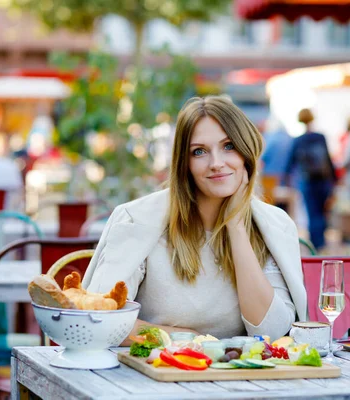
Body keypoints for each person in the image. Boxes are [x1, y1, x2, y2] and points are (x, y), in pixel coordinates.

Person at [82, 96, 307, 341]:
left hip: (244, 376)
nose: (216, 163)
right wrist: (178, 338)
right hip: (153, 372)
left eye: (229, 146)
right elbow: (98, 318)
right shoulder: (139, 219)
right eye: (199, 152)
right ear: (184, 164)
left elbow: (273, 333)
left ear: (246, 152)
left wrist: (236, 226)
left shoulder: (274, 225)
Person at [283, 108, 336, 250]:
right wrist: (334, 180)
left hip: (307, 181)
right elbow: (328, 160)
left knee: (312, 213)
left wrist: (286, 181)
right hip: (324, 181)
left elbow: (289, 163)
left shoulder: (298, 140)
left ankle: (316, 244)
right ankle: (322, 242)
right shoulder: (320, 137)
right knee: (322, 211)